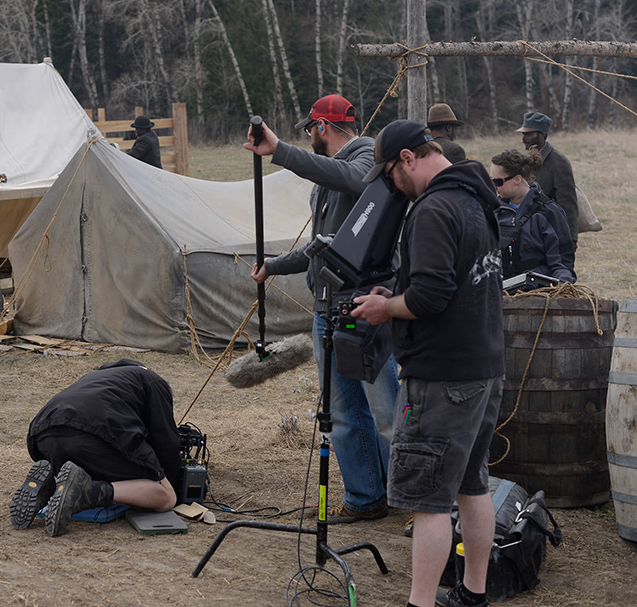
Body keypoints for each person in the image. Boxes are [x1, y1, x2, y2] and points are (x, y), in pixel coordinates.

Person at [353, 120, 505, 607]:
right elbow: (452, 282)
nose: (390, 185)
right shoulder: (475, 196)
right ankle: (473, 594)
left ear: (407, 159)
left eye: (390, 173)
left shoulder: (434, 208)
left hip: (442, 378)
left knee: (427, 501)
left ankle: (420, 603)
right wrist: (397, 295)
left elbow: (431, 296)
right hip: (483, 367)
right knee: (471, 484)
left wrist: (385, 307)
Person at [243, 94, 400, 524]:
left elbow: (353, 180)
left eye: (308, 129)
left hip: (362, 305)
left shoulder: (365, 155)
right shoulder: (329, 174)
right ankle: (367, 498)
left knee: (386, 409)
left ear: (321, 128)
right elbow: (322, 248)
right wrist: (273, 266)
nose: (308, 137)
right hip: (326, 307)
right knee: (345, 413)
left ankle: (410, 498)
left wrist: (281, 152)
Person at [9, 359, 180, 537]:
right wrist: (171, 479)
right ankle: (91, 491)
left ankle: (50, 489)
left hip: (43, 435)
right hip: (94, 432)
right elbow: (166, 443)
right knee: (166, 497)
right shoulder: (153, 380)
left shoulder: (94, 377)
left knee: (84, 472)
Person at [492, 148, 575, 283]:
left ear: (517, 179)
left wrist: (560, 288)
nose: (495, 187)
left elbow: (561, 264)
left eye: (498, 182)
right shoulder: (494, 212)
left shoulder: (549, 213)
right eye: (492, 181)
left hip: (540, 292)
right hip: (499, 291)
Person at [517, 111, 578, 249]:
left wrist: (571, 238)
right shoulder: (526, 160)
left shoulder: (559, 161)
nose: (524, 138)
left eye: (528, 134)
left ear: (542, 134)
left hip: (552, 230)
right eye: (523, 134)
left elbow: (568, 203)